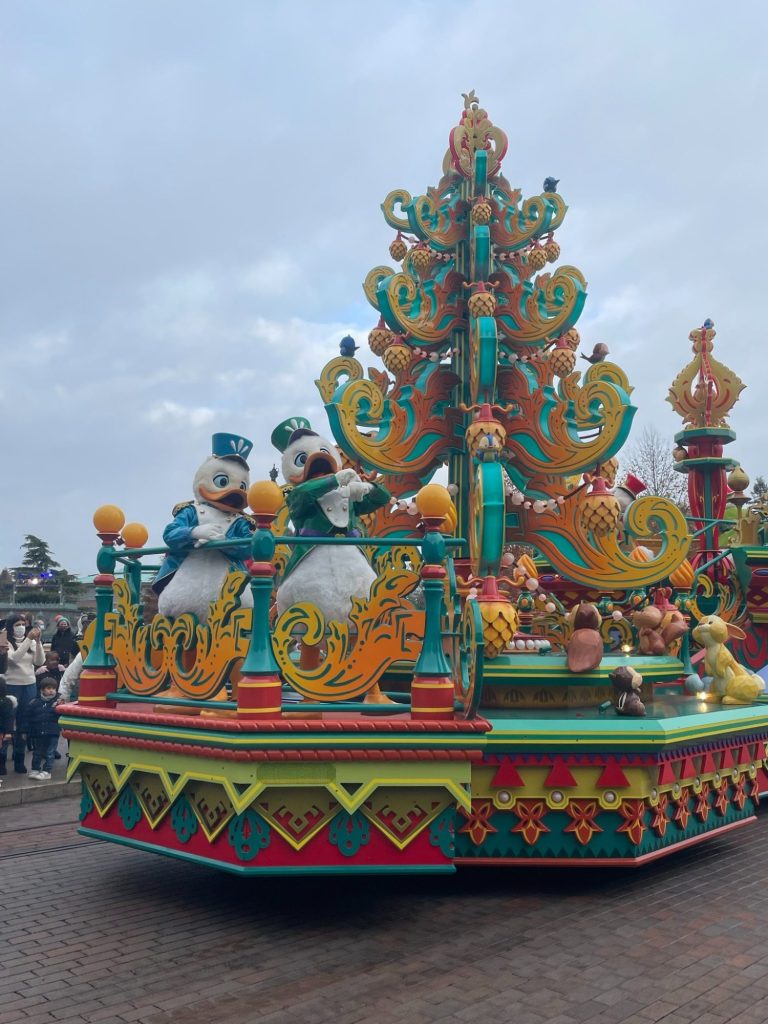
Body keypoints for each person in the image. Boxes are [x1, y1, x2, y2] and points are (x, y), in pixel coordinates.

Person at [5, 614, 44, 773]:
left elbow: (39, 662)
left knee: (24, 723)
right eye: (17, 624)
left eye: (23, 624)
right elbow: (13, 658)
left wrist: (39, 643)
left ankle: (19, 758)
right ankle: (3, 758)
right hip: (11, 685)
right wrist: (28, 639)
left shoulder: (31, 642)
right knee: (8, 722)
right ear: (11, 626)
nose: (21, 627)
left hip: (29, 685)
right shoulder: (6, 641)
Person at [23, 676, 61, 780]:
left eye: (53, 688)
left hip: (53, 732)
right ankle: (35, 768)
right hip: (39, 732)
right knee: (37, 751)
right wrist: (26, 731)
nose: (51, 691)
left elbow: (61, 715)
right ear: (42, 689)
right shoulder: (35, 702)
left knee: (50, 752)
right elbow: (28, 717)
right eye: (48, 688)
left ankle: (47, 771)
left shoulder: (58, 702)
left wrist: (58, 707)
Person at [0, 675, 16, 775]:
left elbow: (9, 718)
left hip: (2, 731)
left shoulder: (6, 702)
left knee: (2, 751)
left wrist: (8, 732)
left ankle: (2, 767)